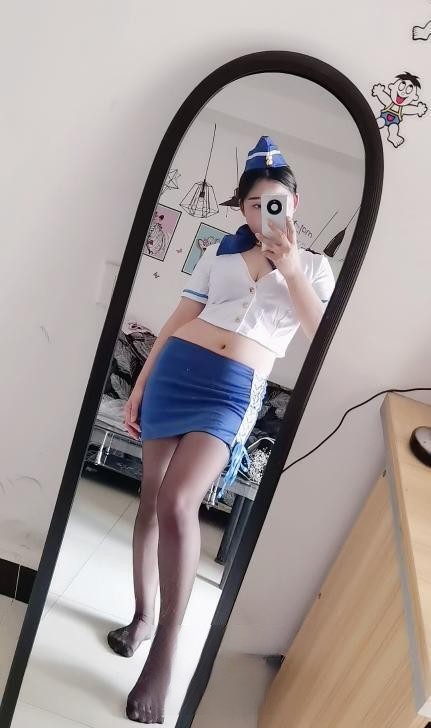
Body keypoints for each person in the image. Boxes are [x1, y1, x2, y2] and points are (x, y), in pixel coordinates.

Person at [107, 136, 335, 724]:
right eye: (254, 204)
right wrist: (140, 385)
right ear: (243, 208)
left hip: (231, 393)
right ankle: (142, 615)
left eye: (274, 202)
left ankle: (164, 653)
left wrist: (290, 268)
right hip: (176, 374)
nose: (263, 213)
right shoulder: (219, 253)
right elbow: (178, 320)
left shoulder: (314, 267)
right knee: (150, 503)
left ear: (294, 203)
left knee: (179, 500)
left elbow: (321, 335)